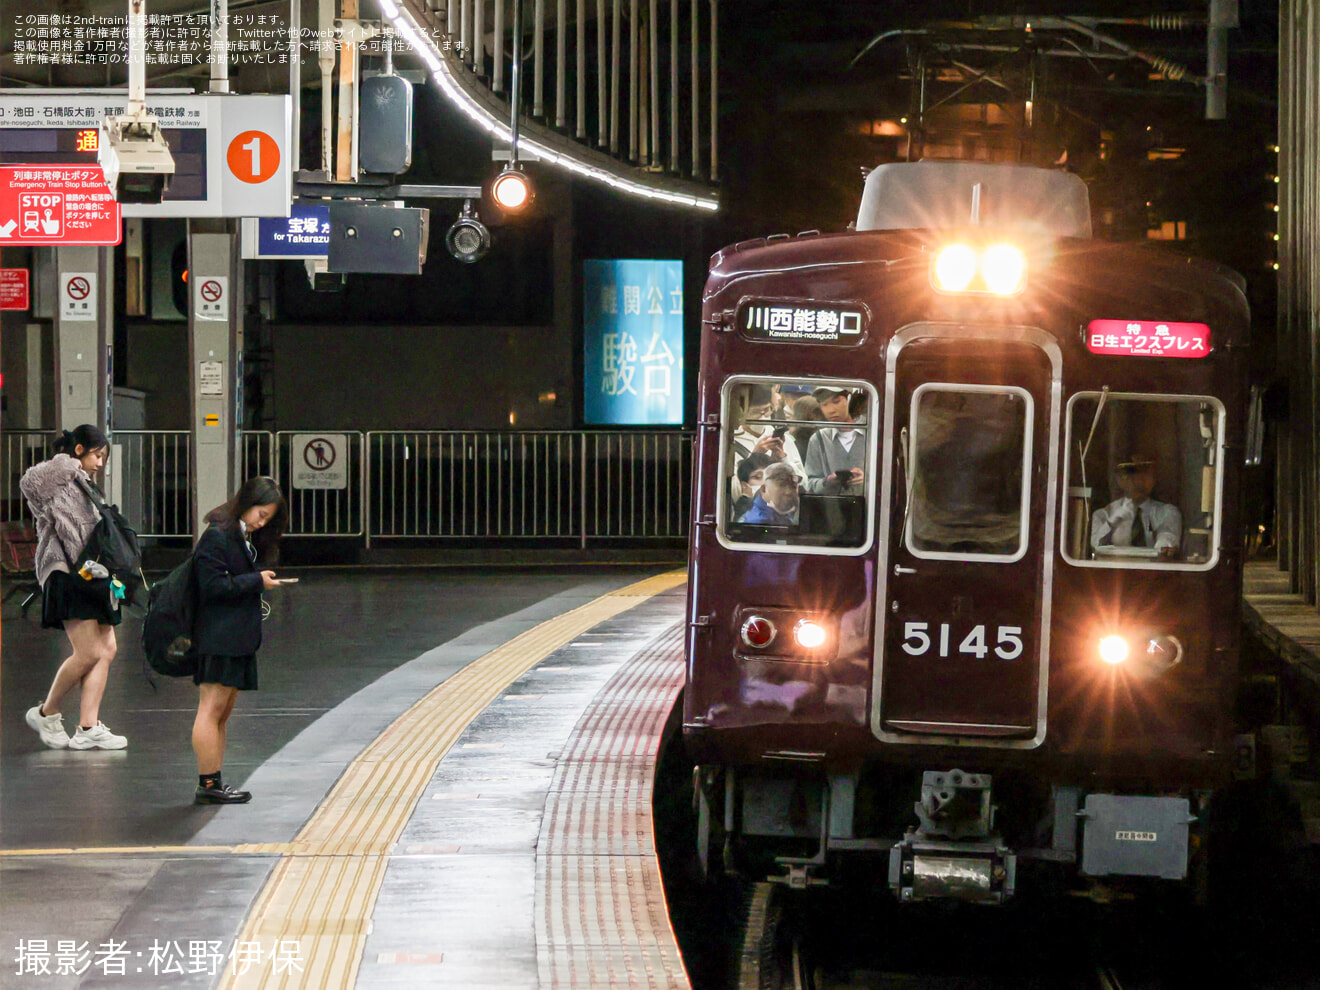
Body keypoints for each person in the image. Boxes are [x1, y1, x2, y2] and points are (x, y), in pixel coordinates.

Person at [20, 426, 130, 751]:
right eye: (97, 455)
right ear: (79, 449)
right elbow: (30, 482)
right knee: (90, 651)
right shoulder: (56, 477)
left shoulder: (83, 482)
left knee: (107, 649)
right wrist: (70, 462)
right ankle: (46, 712)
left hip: (93, 572)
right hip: (65, 570)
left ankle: (88, 726)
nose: (99, 463)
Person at [192, 476, 288, 804]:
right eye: (260, 513)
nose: (262, 522)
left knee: (222, 711)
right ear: (245, 503)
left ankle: (214, 779)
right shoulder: (218, 535)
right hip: (218, 634)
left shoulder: (240, 535)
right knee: (211, 709)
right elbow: (211, 586)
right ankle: (208, 783)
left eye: (268, 519)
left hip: (234, 635)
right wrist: (254, 581)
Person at [1091, 453, 1181, 557]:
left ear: (1153, 479)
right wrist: (1112, 522)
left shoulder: (1167, 512)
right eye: (1130, 475)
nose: (1137, 481)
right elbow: (1096, 546)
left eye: (1144, 474)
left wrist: (1163, 546)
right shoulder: (1103, 515)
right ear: (1119, 480)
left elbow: (1167, 535)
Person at [803, 387, 867, 494]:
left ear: (849, 399)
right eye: (824, 404)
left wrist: (867, 480)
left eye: (836, 401)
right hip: (833, 507)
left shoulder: (871, 433)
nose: (831, 410)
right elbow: (809, 484)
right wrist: (826, 482)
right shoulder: (818, 439)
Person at [738, 462, 802, 526]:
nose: (789, 492)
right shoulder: (757, 522)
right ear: (764, 489)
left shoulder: (785, 513)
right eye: (782, 485)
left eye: (793, 486)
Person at [731, 452, 773, 520]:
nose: (765, 482)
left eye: (770, 477)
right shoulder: (741, 508)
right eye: (758, 477)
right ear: (744, 485)